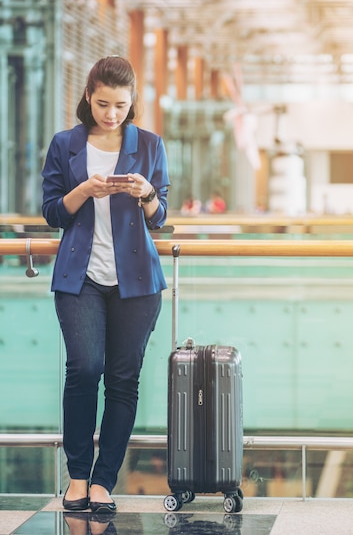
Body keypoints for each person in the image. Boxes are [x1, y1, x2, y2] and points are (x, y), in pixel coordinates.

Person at [42, 56, 170, 514]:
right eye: (102, 104)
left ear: (132, 101)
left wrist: (147, 195)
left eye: (119, 105)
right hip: (81, 279)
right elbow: (53, 212)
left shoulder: (149, 145)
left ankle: (102, 481)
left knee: (122, 379)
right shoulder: (65, 144)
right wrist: (84, 192)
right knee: (83, 367)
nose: (111, 114)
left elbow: (162, 220)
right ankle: (77, 476)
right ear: (88, 96)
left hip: (137, 283)